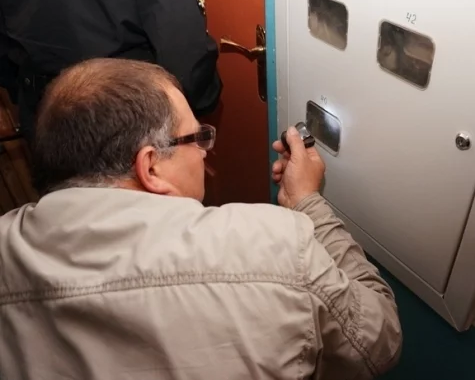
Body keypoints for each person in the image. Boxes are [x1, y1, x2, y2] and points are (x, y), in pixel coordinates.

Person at [0, 58, 402, 379]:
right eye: (197, 138)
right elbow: (379, 339)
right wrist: (307, 201)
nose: (206, 151)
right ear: (150, 167)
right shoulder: (276, 247)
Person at [0, 0, 222, 145]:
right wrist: (201, 102)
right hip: (125, 118)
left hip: (43, 106)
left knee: (62, 185)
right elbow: (182, 48)